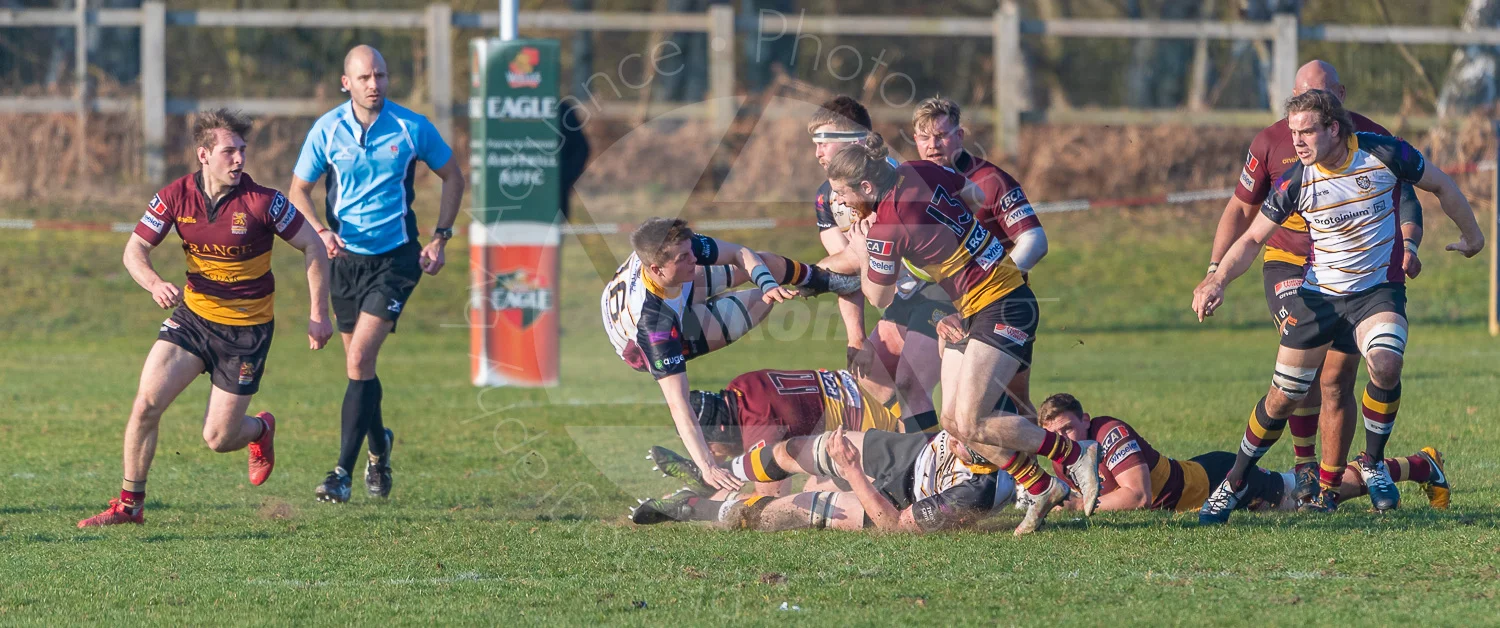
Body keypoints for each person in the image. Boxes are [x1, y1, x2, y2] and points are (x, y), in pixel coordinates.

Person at [1193, 89, 1484, 523]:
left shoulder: (1383, 153)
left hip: (1376, 292)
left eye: (1307, 131)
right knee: (1283, 398)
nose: (1297, 142)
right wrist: (1217, 279)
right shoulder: (1296, 180)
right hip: (1319, 297)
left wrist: (1473, 236)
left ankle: (1371, 461)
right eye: (1293, 132)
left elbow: (1440, 184)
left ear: (1334, 128)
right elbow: (1253, 238)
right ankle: (1234, 482)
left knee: (1385, 364)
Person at [818, 134, 1101, 527]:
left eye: (843, 195)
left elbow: (879, 296)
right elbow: (972, 197)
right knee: (952, 422)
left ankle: (1074, 454)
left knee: (971, 421)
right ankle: (1039, 486)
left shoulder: (884, 228)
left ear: (866, 186)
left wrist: (866, 248)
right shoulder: (917, 170)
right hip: (977, 302)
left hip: (1002, 303)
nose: (843, 205)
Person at [79, 109, 333, 528]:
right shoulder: (175, 197)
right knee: (145, 405)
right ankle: (130, 507)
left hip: (246, 334)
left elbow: (314, 247)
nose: (239, 160)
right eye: (229, 151)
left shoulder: (264, 202)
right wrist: (154, 283)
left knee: (217, 439)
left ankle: (259, 431)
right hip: (193, 320)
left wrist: (318, 315)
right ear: (203, 154)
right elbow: (133, 252)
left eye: (242, 151)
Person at [1206, 60, 1426, 507]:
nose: (1302, 120)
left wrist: (1409, 242)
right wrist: (1215, 271)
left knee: (1337, 377)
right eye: (1299, 98)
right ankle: (1301, 466)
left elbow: (1410, 195)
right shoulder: (1273, 141)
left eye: (1320, 99)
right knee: (1297, 378)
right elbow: (1241, 212)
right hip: (1290, 264)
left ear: (1338, 100)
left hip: (1358, 275)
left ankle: (1327, 486)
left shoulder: (1372, 140)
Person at [287, 45, 466, 503]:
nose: (375, 84)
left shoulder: (411, 127)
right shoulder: (327, 130)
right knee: (359, 369)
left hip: (396, 260)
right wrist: (321, 231)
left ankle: (340, 474)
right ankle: (379, 448)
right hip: (345, 262)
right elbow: (298, 191)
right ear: (346, 83)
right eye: (365, 77)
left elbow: (453, 176)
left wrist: (440, 237)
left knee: (359, 360)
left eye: (381, 76)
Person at [601, 218, 860, 494]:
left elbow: (741, 253)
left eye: (692, 252)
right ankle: (709, 473)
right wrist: (706, 465)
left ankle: (822, 279)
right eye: (684, 258)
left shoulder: (677, 248)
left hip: (668, 292)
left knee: (765, 266)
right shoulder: (656, 328)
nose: (694, 259)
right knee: (762, 302)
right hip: (642, 342)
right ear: (656, 268)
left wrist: (767, 283)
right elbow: (678, 404)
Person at [1036, 394, 1449, 513]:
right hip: (1197, 480)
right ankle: (1416, 464)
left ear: (1085, 419)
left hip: (1216, 480)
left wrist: (1073, 506)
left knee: (1308, 497)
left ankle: (1418, 464)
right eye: (1056, 433)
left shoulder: (1109, 432)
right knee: (1307, 493)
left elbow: (1138, 495)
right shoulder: (1058, 454)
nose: (1066, 437)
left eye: (1071, 427)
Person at [808, 96, 951, 430]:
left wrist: (806, 277)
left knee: (913, 385)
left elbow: (854, 269)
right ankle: (921, 452)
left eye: (824, 143)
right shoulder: (827, 197)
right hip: (902, 297)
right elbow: (849, 269)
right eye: (814, 144)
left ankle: (938, 462)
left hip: (944, 291)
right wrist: (856, 338)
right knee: (870, 380)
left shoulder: (899, 181)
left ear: (855, 141)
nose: (817, 153)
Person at [912, 97, 1048, 419]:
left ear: (959, 136)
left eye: (942, 136)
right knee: (959, 416)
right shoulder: (912, 188)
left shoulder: (990, 181)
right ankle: (972, 470)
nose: (933, 145)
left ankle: (1060, 459)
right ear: (914, 140)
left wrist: (994, 283)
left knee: (1011, 408)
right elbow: (914, 269)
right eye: (924, 137)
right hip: (956, 313)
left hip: (1002, 306)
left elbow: (1034, 240)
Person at [630, 427, 1020, 534]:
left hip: (897, 502)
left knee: (798, 509)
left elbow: (897, 528)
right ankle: (711, 474)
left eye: (965, 442)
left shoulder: (975, 493)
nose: (954, 437)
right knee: (797, 449)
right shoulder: (984, 418)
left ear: (987, 456)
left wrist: (852, 472)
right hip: (904, 452)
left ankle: (693, 507)